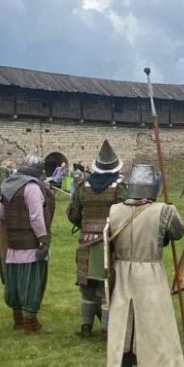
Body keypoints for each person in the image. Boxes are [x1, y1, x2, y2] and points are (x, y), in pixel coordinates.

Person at [106, 163, 184, 367]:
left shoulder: (114, 210)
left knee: (126, 324)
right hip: (149, 274)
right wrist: (170, 210)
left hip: (122, 272)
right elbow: (178, 231)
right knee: (154, 326)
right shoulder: (163, 211)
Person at [67, 140, 126, 339]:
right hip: (110, 242)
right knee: (106, 288)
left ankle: (86, 327)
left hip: (85, 241)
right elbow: (125, 215)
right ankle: (106, 330)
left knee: (87, 287)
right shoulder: (121, 187)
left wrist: (85, 224)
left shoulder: (83, 186)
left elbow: (74, 214)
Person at [0, 154, 55, 334]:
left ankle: (18, 319)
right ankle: (30, 323)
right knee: (32, 281)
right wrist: (43, 239)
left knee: (14, 281)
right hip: (31, 243)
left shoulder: (7, 185)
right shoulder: (32, 187)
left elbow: (1, 215)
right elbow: (36, 217)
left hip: (13, 242)